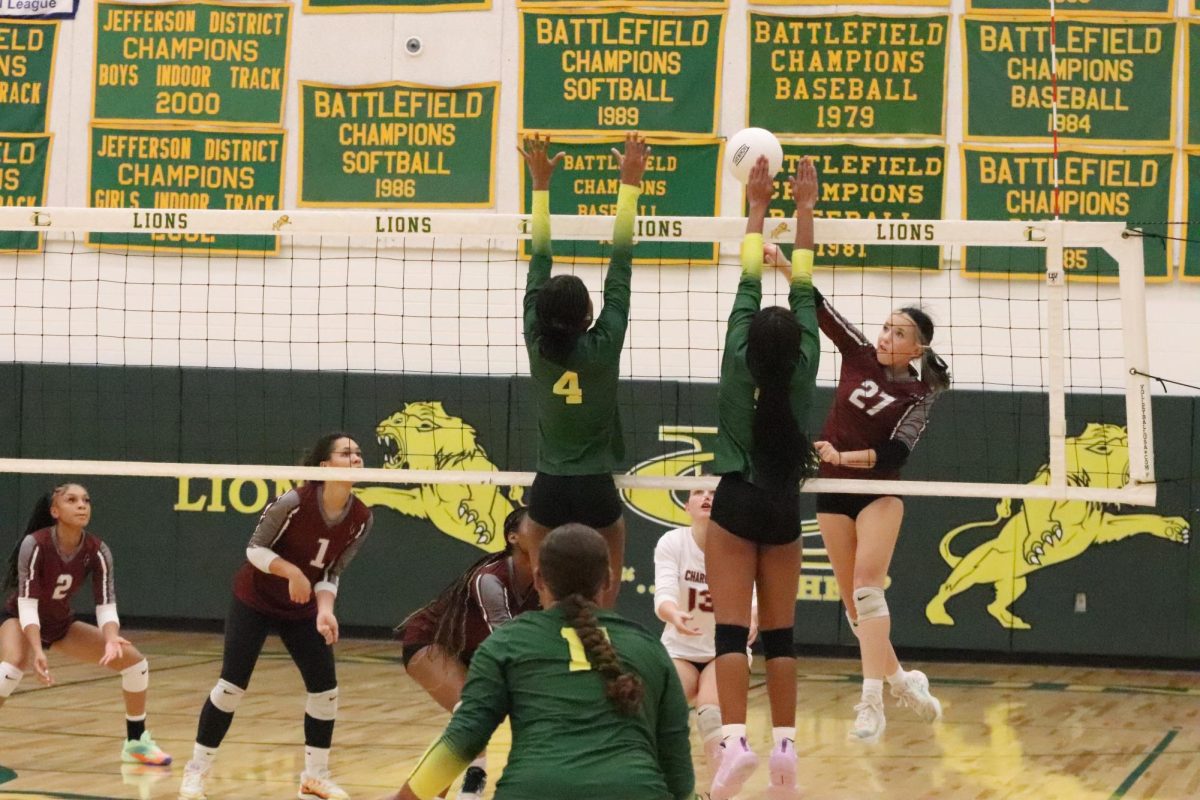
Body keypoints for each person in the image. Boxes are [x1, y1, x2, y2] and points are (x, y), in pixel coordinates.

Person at [388, 523, 694, 800]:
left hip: (533, 789)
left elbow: (465, 738)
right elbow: (677, 769)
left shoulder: (506, 644)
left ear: (538, 578)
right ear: (609, 579)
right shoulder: (649, 647)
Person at [704, 156, 821, 800]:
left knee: (728, 633)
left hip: (736, 500)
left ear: (748, 342)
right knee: (780, 635)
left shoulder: (734, 359)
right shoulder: (805, 363)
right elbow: (797, 282)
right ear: (798, 343)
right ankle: (785, 748)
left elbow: (749, 278)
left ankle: (734, 745)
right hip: (782, 506)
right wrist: (803, 211)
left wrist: (758, 205)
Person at [179, 433, 374, 800]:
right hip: (256, 598)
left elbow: (331, 572)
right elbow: (255, 549)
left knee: (325, 691)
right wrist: (292, 572)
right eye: (346, 453)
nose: (356, 459)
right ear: (324, 467)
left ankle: (314, 778)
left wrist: (325, 611)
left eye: (359, 454)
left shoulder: (361, 518)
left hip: (301, 607)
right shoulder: (293, 503)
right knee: (231, 687)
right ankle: (195, 773)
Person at [808, 267, 951, 744]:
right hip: (833, 490)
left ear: (918, 349)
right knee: (854, 609)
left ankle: (871, 703)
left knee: (868, 590)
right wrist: (784, 263)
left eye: (899, 333)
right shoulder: (859, 355)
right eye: (886, 327)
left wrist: (841, 455)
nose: (887, 337)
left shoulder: (919, 393)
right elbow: (822, 310)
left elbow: (897, 453)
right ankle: (901, 682)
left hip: (878, 493)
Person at [517, 131, 649, 608]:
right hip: (595, 485)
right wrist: (628, 185)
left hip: (550, 485)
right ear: (588, 316)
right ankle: (602, 639)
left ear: (542, 312)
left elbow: (539, 259)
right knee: (604, 581)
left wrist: (540, 186)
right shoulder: (604, 344)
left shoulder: (537, 342)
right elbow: (621, 263)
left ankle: (551, 646)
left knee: (546, 583)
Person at [0, 482, 172, 766]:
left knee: (135, 663)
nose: (82, 505)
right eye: (72, 500)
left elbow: (105, 602)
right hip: (20, 618)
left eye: (86, 500)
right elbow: (27, 604)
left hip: (59, 624)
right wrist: (36, 651)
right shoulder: (36, 544)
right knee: (13, 666)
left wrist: (112, 637)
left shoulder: (98, 550)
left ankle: (136, 743)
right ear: (55, 510)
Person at [396, 507, 539, 800]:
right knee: (469, 711)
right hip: (431, 640)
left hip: (478, 651)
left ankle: (440, 790)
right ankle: (469, 778)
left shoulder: (545, 579)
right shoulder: (490, 579)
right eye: (534, 525)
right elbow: (507, 640)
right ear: (513, 537)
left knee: (476, 716)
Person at [653, 487, 757, 788]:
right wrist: (674, 614)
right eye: (699, 492)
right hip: (679, 650)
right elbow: (663, 595)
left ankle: (724, 789)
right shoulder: (672, 542)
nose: (707, 497)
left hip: (722, 651)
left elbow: (754, 599)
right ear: (687, 506)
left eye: (714, 492)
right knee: (661, 714)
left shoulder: (740, 545)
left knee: (711, 715)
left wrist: (753, 617)